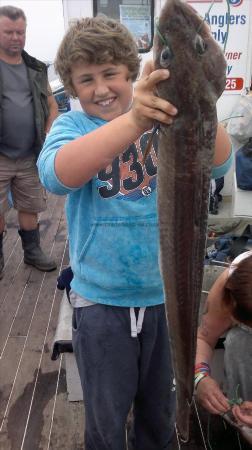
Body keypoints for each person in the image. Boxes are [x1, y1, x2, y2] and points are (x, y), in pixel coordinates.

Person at [37, 16, 232, 450]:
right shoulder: (74, 128)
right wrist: (135, 121)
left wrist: (198, 96)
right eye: (86, 79)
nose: (101, 88)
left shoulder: (165, 115)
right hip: (102, 304)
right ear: (70, 86)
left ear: (133, 73)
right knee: (106, 422)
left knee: (158, 416)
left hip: (164, 301)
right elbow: (55, 175)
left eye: (111, 74)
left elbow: (220, 163)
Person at [0, 5, 58, 279]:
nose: (15, 37)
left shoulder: (35, 67)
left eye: (20, 32)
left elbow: (51, 105)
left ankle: (32, 252)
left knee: (30, 205)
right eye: (8, 32)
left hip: (29, 154)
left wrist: (47, 138)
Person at [195, 251, 252, 428]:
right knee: (238, 340)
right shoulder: (233, 280)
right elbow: (204, 338)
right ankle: (243, 421)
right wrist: (200, 378)